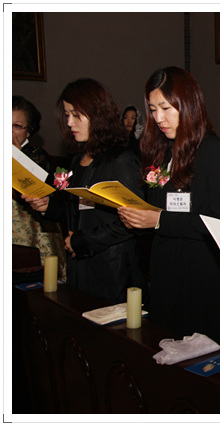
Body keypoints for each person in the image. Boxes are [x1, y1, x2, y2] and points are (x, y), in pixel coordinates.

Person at [118, 66, 220, 348]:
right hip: (165, 273)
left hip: (202, 277)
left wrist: (158, 220)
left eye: (166, 108)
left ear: (188, 104)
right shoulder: (163, 153)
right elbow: (157, 211)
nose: (159, 118)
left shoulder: (215, 153)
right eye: (153, 110)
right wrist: (135, 218)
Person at [23, 78, 144, 303]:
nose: (70, 122)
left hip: (111, 270)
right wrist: (48, 206)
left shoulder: (120, 160)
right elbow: (76, 213)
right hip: (80, 265)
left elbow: (133, 223)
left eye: (76, 115)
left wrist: (81, 241)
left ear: (98, 114)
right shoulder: (78, 160)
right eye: (67, 115)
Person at [12, 95, 67, 279]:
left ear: (29, 131)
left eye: (16, 126)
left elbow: (33, 190)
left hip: (30, 231)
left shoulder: (36, 155)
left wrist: (16, 156)